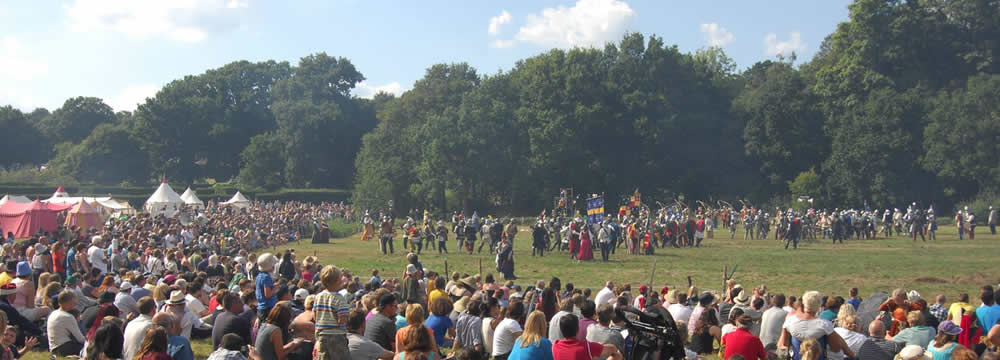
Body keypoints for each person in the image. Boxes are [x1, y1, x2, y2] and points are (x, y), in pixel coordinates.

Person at [779, 291, 855, 360]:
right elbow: (836, 348)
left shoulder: (790, 321)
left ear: (804, 303)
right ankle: (853, 355)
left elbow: (784, 344)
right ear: (819, 306)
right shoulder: (824, 325)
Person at [551, 313, 623, 360]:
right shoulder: (586, 347)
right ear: (577, 329)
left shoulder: (555, 346)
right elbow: (612, 348)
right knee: (617, 355)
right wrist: (598, 346)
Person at [47, 290, 86, 356]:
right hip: (64, 348)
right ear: (69, 303)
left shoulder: (53, 313)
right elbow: (81, 339)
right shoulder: (68, 317)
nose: (75, 304)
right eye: (74, 303)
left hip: (54, 349)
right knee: (93, 349)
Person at [255, 253, 278, 323]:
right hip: (268, 307)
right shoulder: (266, 277)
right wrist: (275, 287)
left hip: (262, 307)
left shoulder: (259, 276)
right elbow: (267, 294)